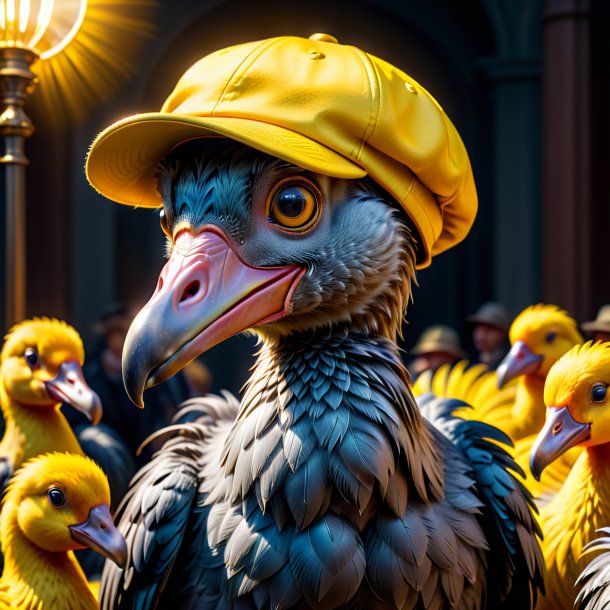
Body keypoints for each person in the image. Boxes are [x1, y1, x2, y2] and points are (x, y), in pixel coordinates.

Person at [467, 302, 511, 369]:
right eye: (478, 330)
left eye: (487, 330)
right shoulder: (469, 367)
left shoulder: (510, 366)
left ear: (502, 333)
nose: (480, 336)